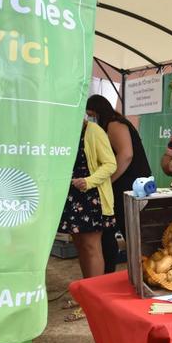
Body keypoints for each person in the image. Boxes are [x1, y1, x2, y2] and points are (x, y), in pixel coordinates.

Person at [59, 118, 117, 321]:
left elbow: (111, 163)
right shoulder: (66, 132)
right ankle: (85, 294)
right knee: (81, 246)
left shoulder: (94, 131)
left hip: (92, 196)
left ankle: (93, 300)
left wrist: (89, 181)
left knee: (92, 248)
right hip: (72, 197)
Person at [86, 94, 151, 273]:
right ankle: (111, 272)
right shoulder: (110, 124)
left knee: (129, 231)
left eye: (91, 114)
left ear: (99, 111)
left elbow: (126, 154)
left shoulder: (115, 124)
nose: (90, 119)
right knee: (111, 231)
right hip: (123, 183)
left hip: (130, 184)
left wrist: (107, 180)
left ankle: (142, 273)